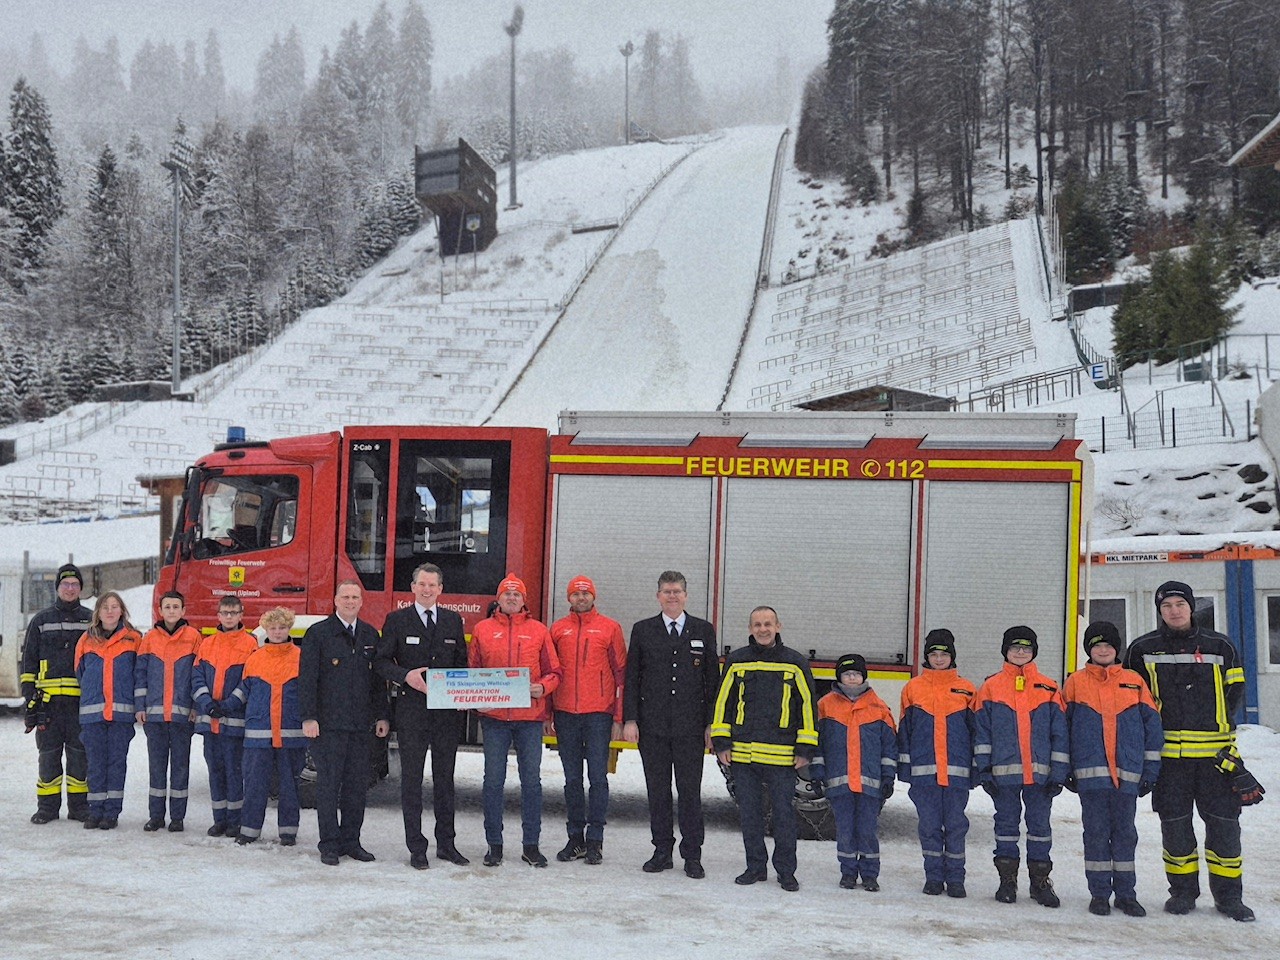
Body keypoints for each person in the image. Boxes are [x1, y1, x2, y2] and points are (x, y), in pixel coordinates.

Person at [1123, 581, 1257, 921]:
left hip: (1216, 760)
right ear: (1160, 610)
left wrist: (1218, 725)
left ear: (1191, 606)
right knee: (1176, 828)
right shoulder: (1142, 649)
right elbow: (1133, 701)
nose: (1174, 610)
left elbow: (1235, 691)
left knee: (1225, 829)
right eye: (1167, 605)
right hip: (1170, 762)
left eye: (1180, 604)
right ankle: (1182, 893)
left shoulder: (1220, 645)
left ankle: (1229, 898)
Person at [711, 605, 817, 892]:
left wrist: (805, 748)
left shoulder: (794, 662)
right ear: (750, 629)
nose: (763, 629)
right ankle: (755, 867)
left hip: (781, 756)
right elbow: (722, 704)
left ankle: (786, 871)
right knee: (750, 815)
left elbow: (807, 707)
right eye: (757, 624)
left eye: (768, 623)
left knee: (783, 816)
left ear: (778, 626)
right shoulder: (737, 661)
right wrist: (721, 743)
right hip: (743, 756)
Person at [623, 570, 721, 879]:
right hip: (652, 729)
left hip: (690, 729)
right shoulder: (643, 630)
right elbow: (632, 679)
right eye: (667, 591)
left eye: (677, 591)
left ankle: (692, 855)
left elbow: (711, 683)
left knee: (689, 793)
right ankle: (662, 851)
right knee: (658, 792)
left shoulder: (703, 630)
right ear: (658, 596)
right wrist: (630, 719)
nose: (672, 596)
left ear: (686, 595)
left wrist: (711, 725)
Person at [1063, 621, 1163, 917]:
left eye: (1108, 645)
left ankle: (1126, 894)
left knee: (1125, 834)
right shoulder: (1075, 683)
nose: (1103, 650)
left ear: (1117, 649)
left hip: (1127, 776)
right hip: (1090, 778)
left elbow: (1152, 729)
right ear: (1088, 650)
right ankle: (1099, 894)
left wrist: (1150, 770)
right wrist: (1066, 768)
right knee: (1094, 834)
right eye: (1097, 646)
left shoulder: (1134, 681)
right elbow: (1062, 729)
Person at [375, 563, 471, 869]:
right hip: (411, 712)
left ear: (441, 590)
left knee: (445, 781)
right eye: (422, 584)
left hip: (445, 715)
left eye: (433, 585)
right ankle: (417, 847)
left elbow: (461, 665)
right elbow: (380, 662)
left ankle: (447, 845)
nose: (427, 590)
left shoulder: (453, 621)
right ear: (413, 588)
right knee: (411, 782)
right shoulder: (397, 620)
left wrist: (463, 695)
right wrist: (405, 676)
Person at [469, 573, 563, 868]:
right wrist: (471, 697)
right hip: (495, 720)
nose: (511, 598)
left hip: (529, 719)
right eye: (506, 594)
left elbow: (555, 672)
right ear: (498, 598)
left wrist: (542, 688)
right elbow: (472, 671)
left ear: (524, 600)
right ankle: (494, 845)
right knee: (493, 782)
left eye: (517, 594)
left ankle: (531, 845)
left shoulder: (539, 631)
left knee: (531, 783)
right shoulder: (482, 629)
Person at [973, 625, 1069, 907]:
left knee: (1040, 829)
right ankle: (1007, 881)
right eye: (1015, 648)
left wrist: (1058, 773)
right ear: (1006, 651)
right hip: (1003, 776)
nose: (1020, 653)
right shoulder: (990, 687)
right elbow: (982, 733)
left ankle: (1040, 884)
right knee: (1006, 828)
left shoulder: (1049, 687)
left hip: (1041, 777)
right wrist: (984, 770)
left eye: (1026, 649)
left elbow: (1059, 735)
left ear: (1034, 652)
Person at [299, 580, 390, 866]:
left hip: (360, 725)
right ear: (335, 600)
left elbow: (378, 683)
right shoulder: (318, 634)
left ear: (361, 602)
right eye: (345, 596)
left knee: (355, 787)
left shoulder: (368, 634)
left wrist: (382, 715)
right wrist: (309, 717)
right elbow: (307, 679)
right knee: (328, 786)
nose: (350, 601)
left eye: (355, 597)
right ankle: (329, 844)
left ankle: (352, 841)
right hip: (328, 726)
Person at [547, 575, 627, 865]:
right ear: (568, 598)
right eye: (575, 594)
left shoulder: (610, 628)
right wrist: (548, 713)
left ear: (594, 596)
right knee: (571, 780)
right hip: (566, 713)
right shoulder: (557, 630)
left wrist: (618, 716)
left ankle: (595, 840)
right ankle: (575, 838)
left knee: (597, 778)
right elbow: (549, 673)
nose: (581, 598)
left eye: (585, 593)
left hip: (598, 714)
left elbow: (621, 674)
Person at [898, 629, 977, 898]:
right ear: (927, 657)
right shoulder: (913, 688)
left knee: (955, 827)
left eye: (944, 654)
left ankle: (956, 879)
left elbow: (975, 732)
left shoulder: (967, 688)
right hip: (924, 774)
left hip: (956, 774)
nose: (939, 658)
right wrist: (905, 767)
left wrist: (975, 767)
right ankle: (933, 877)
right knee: (929, 827)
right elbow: (905, 732)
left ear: (952, 656)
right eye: (934, 654)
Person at [815, 653, 897, 892]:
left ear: (864, 677)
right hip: (840, 784)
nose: (852, 678)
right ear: (839, 677)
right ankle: (848, 872)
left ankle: (870, 875)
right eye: (847, 674)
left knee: (868, 830)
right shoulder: (825, 706)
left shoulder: (879, 707)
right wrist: (818, 772)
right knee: (845, 830)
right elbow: (818, 745)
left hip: (870, 786)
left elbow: (889, 747)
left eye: (856, 674)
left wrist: (888, 777)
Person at [20, 563, 92, 824]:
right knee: (48, 757)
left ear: (81, 589)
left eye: (75, 585)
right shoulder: (41, 620)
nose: (70, 589)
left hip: (79, 704)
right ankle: (47, 809)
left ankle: (79, 808)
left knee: (79, 757)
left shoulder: (90, 620)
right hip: (47, 706)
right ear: (58, 588)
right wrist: (30, 697)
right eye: (65, 584)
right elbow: (28, 661)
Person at [229, 607, 307, 847]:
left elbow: (310, 694)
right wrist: (221, 707)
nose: (277, 632)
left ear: (289, 628)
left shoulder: (301, 657)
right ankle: (249, 831)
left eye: (282, 627)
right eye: (272, 628)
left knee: (290, 786)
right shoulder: (255, 657)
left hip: (291, 735)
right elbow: (243, 691)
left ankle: (288, 832)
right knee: (254, 784)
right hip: (258, 735)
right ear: (266, 629)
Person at [191, 595, 259, 838]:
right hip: (210, 722)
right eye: (225, 613)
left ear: (242, 615)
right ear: (218, 616)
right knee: (215, 772)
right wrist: (207, 703)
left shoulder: (250, 643)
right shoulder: (207, 644)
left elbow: (249, 680)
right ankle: (219, 819)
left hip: (234, 722)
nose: (229, 617)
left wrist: (230, 704)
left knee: (234, 772)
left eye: (234, 612)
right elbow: (196, 677)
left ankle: (235, 821)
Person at [134, 590, 201, 832]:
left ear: (184, 611)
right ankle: (156, 816)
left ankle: (177, 818)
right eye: (167, 607)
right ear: (160, 611)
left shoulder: (194, 637)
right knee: (157, 766)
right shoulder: (150, 638)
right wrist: (140, 707)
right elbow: (140, 675)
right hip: (155, 717)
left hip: (183, 717)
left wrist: (195, 707)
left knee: (181, 766)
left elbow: (197, 675)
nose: (172, 611)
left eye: (176, 607)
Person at [74, 592, 141, 829]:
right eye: (105, 607)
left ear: (122, 611)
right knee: (95, 764)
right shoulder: (85, 640)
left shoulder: (134, 639)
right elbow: (80, 673)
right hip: (93, 715)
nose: (110, 611)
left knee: (116, 763)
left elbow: (138, 675)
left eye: (114, 607)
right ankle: (95, 811)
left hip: (121, 715)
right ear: (98, 612)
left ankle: (111, 813)